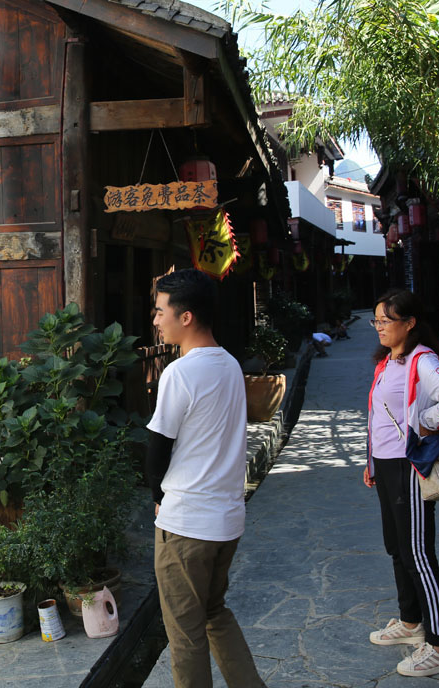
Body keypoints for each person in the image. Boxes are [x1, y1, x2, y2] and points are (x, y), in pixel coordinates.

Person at [145, 268, 265, 688]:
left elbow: (157, 446)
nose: (156, 320)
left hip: (186, 523)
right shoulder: (229, 365)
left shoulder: (180, 373)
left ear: (186, 317)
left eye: (161, 311)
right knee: (214, 613)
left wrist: (157, 493)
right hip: (226, 520)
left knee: (185, 635)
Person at [366, 289, 439, 678]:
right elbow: (378, 413)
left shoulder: (422, 359)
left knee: (417, 553)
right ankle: (411, 623)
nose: (379, 327)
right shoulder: (388, 362)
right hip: (386, 466)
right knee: (396, 547)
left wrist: (424, 424)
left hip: (409, 467)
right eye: (376, 320)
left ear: (409, 324)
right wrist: (371, 460)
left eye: (386, 320)